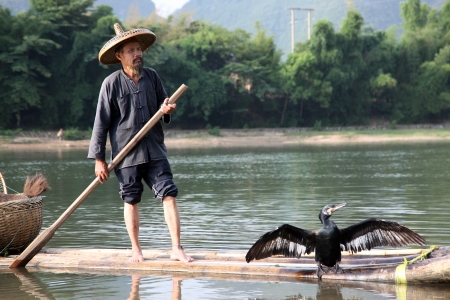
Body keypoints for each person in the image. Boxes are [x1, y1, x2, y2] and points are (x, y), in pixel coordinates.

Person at [88, 23, 193, 263]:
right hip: (126, 154)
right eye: (131, 51)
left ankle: (176, 248)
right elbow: (100, 122)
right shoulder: (111, 84)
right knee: (131, 199)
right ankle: (136, 250)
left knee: (169, 194)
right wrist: (99, 159)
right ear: (119, 56)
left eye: (138, 49)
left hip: (155, 149)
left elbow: (163, 107)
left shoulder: (152, 77)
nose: (137, 54)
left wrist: (166, 109)